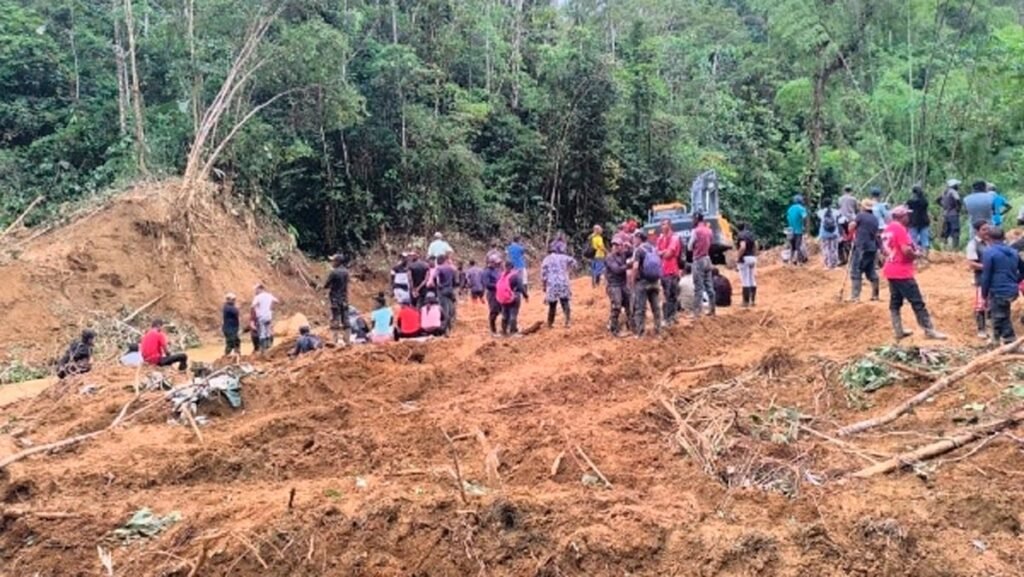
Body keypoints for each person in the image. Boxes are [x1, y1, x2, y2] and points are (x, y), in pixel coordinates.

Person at [882, 206, 947, 340]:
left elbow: (886, 249)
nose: (909, 217)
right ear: (901, 217)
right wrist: (916, 255)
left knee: (895, 301)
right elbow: (906, 251)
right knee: (917, 301)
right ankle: (929, 330)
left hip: (891, 269)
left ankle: (898, 329)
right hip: (902, 271)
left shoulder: (888, 228)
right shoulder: (900, 229)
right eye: (906, 215)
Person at [980, 226, 1019, 344]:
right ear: (1004, 238)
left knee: (1001, 315)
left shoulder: (989, 252)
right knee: (998, 312)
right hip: (1012, 290)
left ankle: (1009, 340)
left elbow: (986, 276)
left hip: (999, 289)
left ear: (988, 238)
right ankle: (995, 339)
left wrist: (984, 293)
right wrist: (1015, 281)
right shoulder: (1014, 252)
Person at [631, 230, 663, 337]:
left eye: (635, 238)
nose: (634, 240)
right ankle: (658, 330)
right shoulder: (654, 249)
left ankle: (640, 333)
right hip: (654, 281)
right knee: (656, 307)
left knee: (640, 308)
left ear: (639, 238)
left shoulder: (639, 250)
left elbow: (635, 267)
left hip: (643, 282)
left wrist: (633, 280)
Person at [848, 199, 881, 302]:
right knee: (870, 269)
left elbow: (852, 226)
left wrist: (852, 228)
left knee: (856, 270)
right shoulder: (875, 219)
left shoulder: (860, 216)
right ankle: (875, 294)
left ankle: (855, 296)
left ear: (863, 207)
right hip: (872, 247)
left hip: (861, 246)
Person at [965, 220, 991, 339]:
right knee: (981, 304)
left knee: (992, 302)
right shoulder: (973, 244)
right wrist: (986, 266)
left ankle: (992, 328)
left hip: (993, 278)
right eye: (984, 229)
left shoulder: (991, 242)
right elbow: (971, 263)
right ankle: (981, 329)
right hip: (981, 278)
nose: (987, 231)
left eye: (988, 229)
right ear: (977, 231)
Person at [541, 244, 577, 328]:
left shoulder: (546, 259)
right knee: (565, 302)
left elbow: (543, 275)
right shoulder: (564, 257)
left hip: (552, 283)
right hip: (563, 282)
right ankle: (567, 321)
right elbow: (574, 262)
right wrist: (568, 270)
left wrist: (544, 286)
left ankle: (550, 323)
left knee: (552, 305)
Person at [689, 212, 716, 318]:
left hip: (698, 259)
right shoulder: (709, 230)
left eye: (693, 219)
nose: (692, 221)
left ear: (696, 219)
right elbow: (711, 243)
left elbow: (690, 247)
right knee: (709, 286)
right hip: (707, 258)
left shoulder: (695, 231)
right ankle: (712, 310)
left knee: (698, 287)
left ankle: (697, 312)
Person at [657, 218, 683, 324]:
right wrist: (664, 252)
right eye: (662, 224)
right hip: (663, 271)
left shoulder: (675, 238)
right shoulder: (660, 238)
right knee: (666, 296)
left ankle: (671, 317)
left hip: (672, 270)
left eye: (665, 224)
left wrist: (662, 252)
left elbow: (668, 254)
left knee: (672, 295)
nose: (663, 226)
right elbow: (657, 253)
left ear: (669, 225)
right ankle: (667, 317)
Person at [604, 237, 631, 336]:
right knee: (617, 306)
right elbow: (617, 270)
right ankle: (614, 329)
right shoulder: (609, 257)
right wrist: (628, 266)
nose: (616, 247)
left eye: (618, 245)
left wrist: (629, 246)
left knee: (629, 303)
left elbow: (633, 252)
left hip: (622, 284)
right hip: (613, 284)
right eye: (614, 245)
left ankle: (630, 325)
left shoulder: (623, 254)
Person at [496, 260, 528, 336]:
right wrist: (525, 295)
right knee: (513, 314)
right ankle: (513, 331)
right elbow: (521, 287)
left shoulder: (501, 275)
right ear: (512, 267)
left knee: (504, 314)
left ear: (505, 267)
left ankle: (504, 331)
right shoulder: (515, 275)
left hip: (503, 298)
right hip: (514, 297)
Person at [324, 254, 350, 345]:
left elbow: (326, 285)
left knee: (335, 319)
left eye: (333, 261)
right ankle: (347, 340)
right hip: (344, 298)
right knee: (345, 319)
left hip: (335, 298)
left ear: (338, 262)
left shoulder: (334, 272)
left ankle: (334, 340)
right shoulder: (346, 272)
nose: (332, 263)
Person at [434, 254, 458, 334]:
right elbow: (455, 280)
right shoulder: (451, 268)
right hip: (450, 290)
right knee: (450, 308)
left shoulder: (439, 268)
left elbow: (434, 277)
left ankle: (445, 329)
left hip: (442, 290)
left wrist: (437, 285)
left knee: (444, 310)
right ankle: (451, 328)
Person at [252, 283, 279, 352]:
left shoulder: (258, 297)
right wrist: (271, 307)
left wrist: (257, 310)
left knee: (262, 332)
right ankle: (269, 346)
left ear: (260, 289)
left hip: (261, 316)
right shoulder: (269, 295)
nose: (255, 291)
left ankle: (263, 349)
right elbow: (277, 301)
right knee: (268, 331)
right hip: (268, 316)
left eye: (256, 290)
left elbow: (252, 305)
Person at [736, 222, 758, 307]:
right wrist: (754, 254)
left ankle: (745, 302)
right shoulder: (751, 234)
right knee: (752, 279)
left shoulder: (740, 235)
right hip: (752, 257)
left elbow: (742, 247)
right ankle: (753, 301)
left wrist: (738, 257)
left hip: (744, 259)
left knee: (745, 280)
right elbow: (756, 244)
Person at [906, 185, 931, 258]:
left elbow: (907, 209)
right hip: (924, 222)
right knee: (925, 240)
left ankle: (915, 255)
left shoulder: (910, 202)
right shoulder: (925, 202)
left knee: (913, 240)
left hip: (913, 222)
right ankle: (925, 256)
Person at [817, 197, 841, 269]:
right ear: (831, 203)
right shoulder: (836, 211)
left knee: (825, 248)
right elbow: (839, 217)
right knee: (834, 249)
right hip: (834, 233)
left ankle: (827, 265)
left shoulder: (820, 212)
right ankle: (834, 265)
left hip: (824, 233)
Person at [939, 179, 963, 249]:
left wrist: (944, 206)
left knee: (946, 231)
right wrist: (958, 208)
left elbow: (938, 200)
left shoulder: (945, 192)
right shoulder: (953, 192)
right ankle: (955, 247)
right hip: (953, 214)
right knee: (955, 231)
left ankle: (944, 247)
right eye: (957, 185)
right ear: (954, 185)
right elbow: (957, 200)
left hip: (946, 214)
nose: (958, 186)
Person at [838, 185, 858, 265]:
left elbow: (839, 207)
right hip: (851, 220)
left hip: (842, 220)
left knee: (843, 239)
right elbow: (856, 209)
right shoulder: (853, 199)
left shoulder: (840, 199)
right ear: (851, 191)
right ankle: (852, 259)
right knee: (852, 239)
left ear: (844, 190)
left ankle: (843, 258)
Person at [786, 195, 808, 265]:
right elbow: (804, 217)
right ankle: (799, 261)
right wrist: (804, 226)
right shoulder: (801, 208)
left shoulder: (790, 208)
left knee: (792, 246)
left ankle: (790, 260)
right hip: (798, 230)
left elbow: (788, 218)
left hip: (790, 230)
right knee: (798, 246)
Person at [222, 293, 241, 357]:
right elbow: (236, 311)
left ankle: (236, 355)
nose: (234, 301)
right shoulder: (227, 307)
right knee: (231, 342)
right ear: (228, 300)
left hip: (232, 328)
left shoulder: (228, 307)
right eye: (233, 300)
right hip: (229, 328)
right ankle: (227, 355)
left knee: (236, 341)